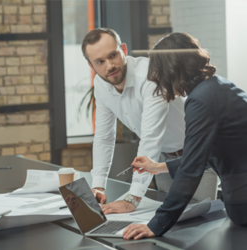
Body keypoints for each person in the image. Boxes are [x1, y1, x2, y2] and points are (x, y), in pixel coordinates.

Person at [123, 32, 247, 240]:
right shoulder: (218, 86)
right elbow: (212, 152)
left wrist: (157, 223)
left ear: (171, 70)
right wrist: (160, 167)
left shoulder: (201, 99)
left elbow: (192, 168)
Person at [81, 28, 218, 213]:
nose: (109, 66)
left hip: (196, 155)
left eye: (113, 55)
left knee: (201, 218)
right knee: (169, 223)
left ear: (124, 50)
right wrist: (98, 185)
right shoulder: (101, 84)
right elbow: (104, 136)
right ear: (91, 66)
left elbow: (150, 138)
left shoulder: (150, 75)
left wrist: (132, 199)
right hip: (160, 161)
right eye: (100, 61)